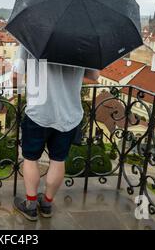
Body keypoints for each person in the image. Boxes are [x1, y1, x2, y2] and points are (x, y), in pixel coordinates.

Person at [13, 45, 99, 221]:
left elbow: (17, 74)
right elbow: (94, 76)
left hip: (39, 111)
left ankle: (30, 206)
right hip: (69, 114)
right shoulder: (85, 40)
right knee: (58, 160)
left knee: (30, 159)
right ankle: (46, 203)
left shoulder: (32, 37)